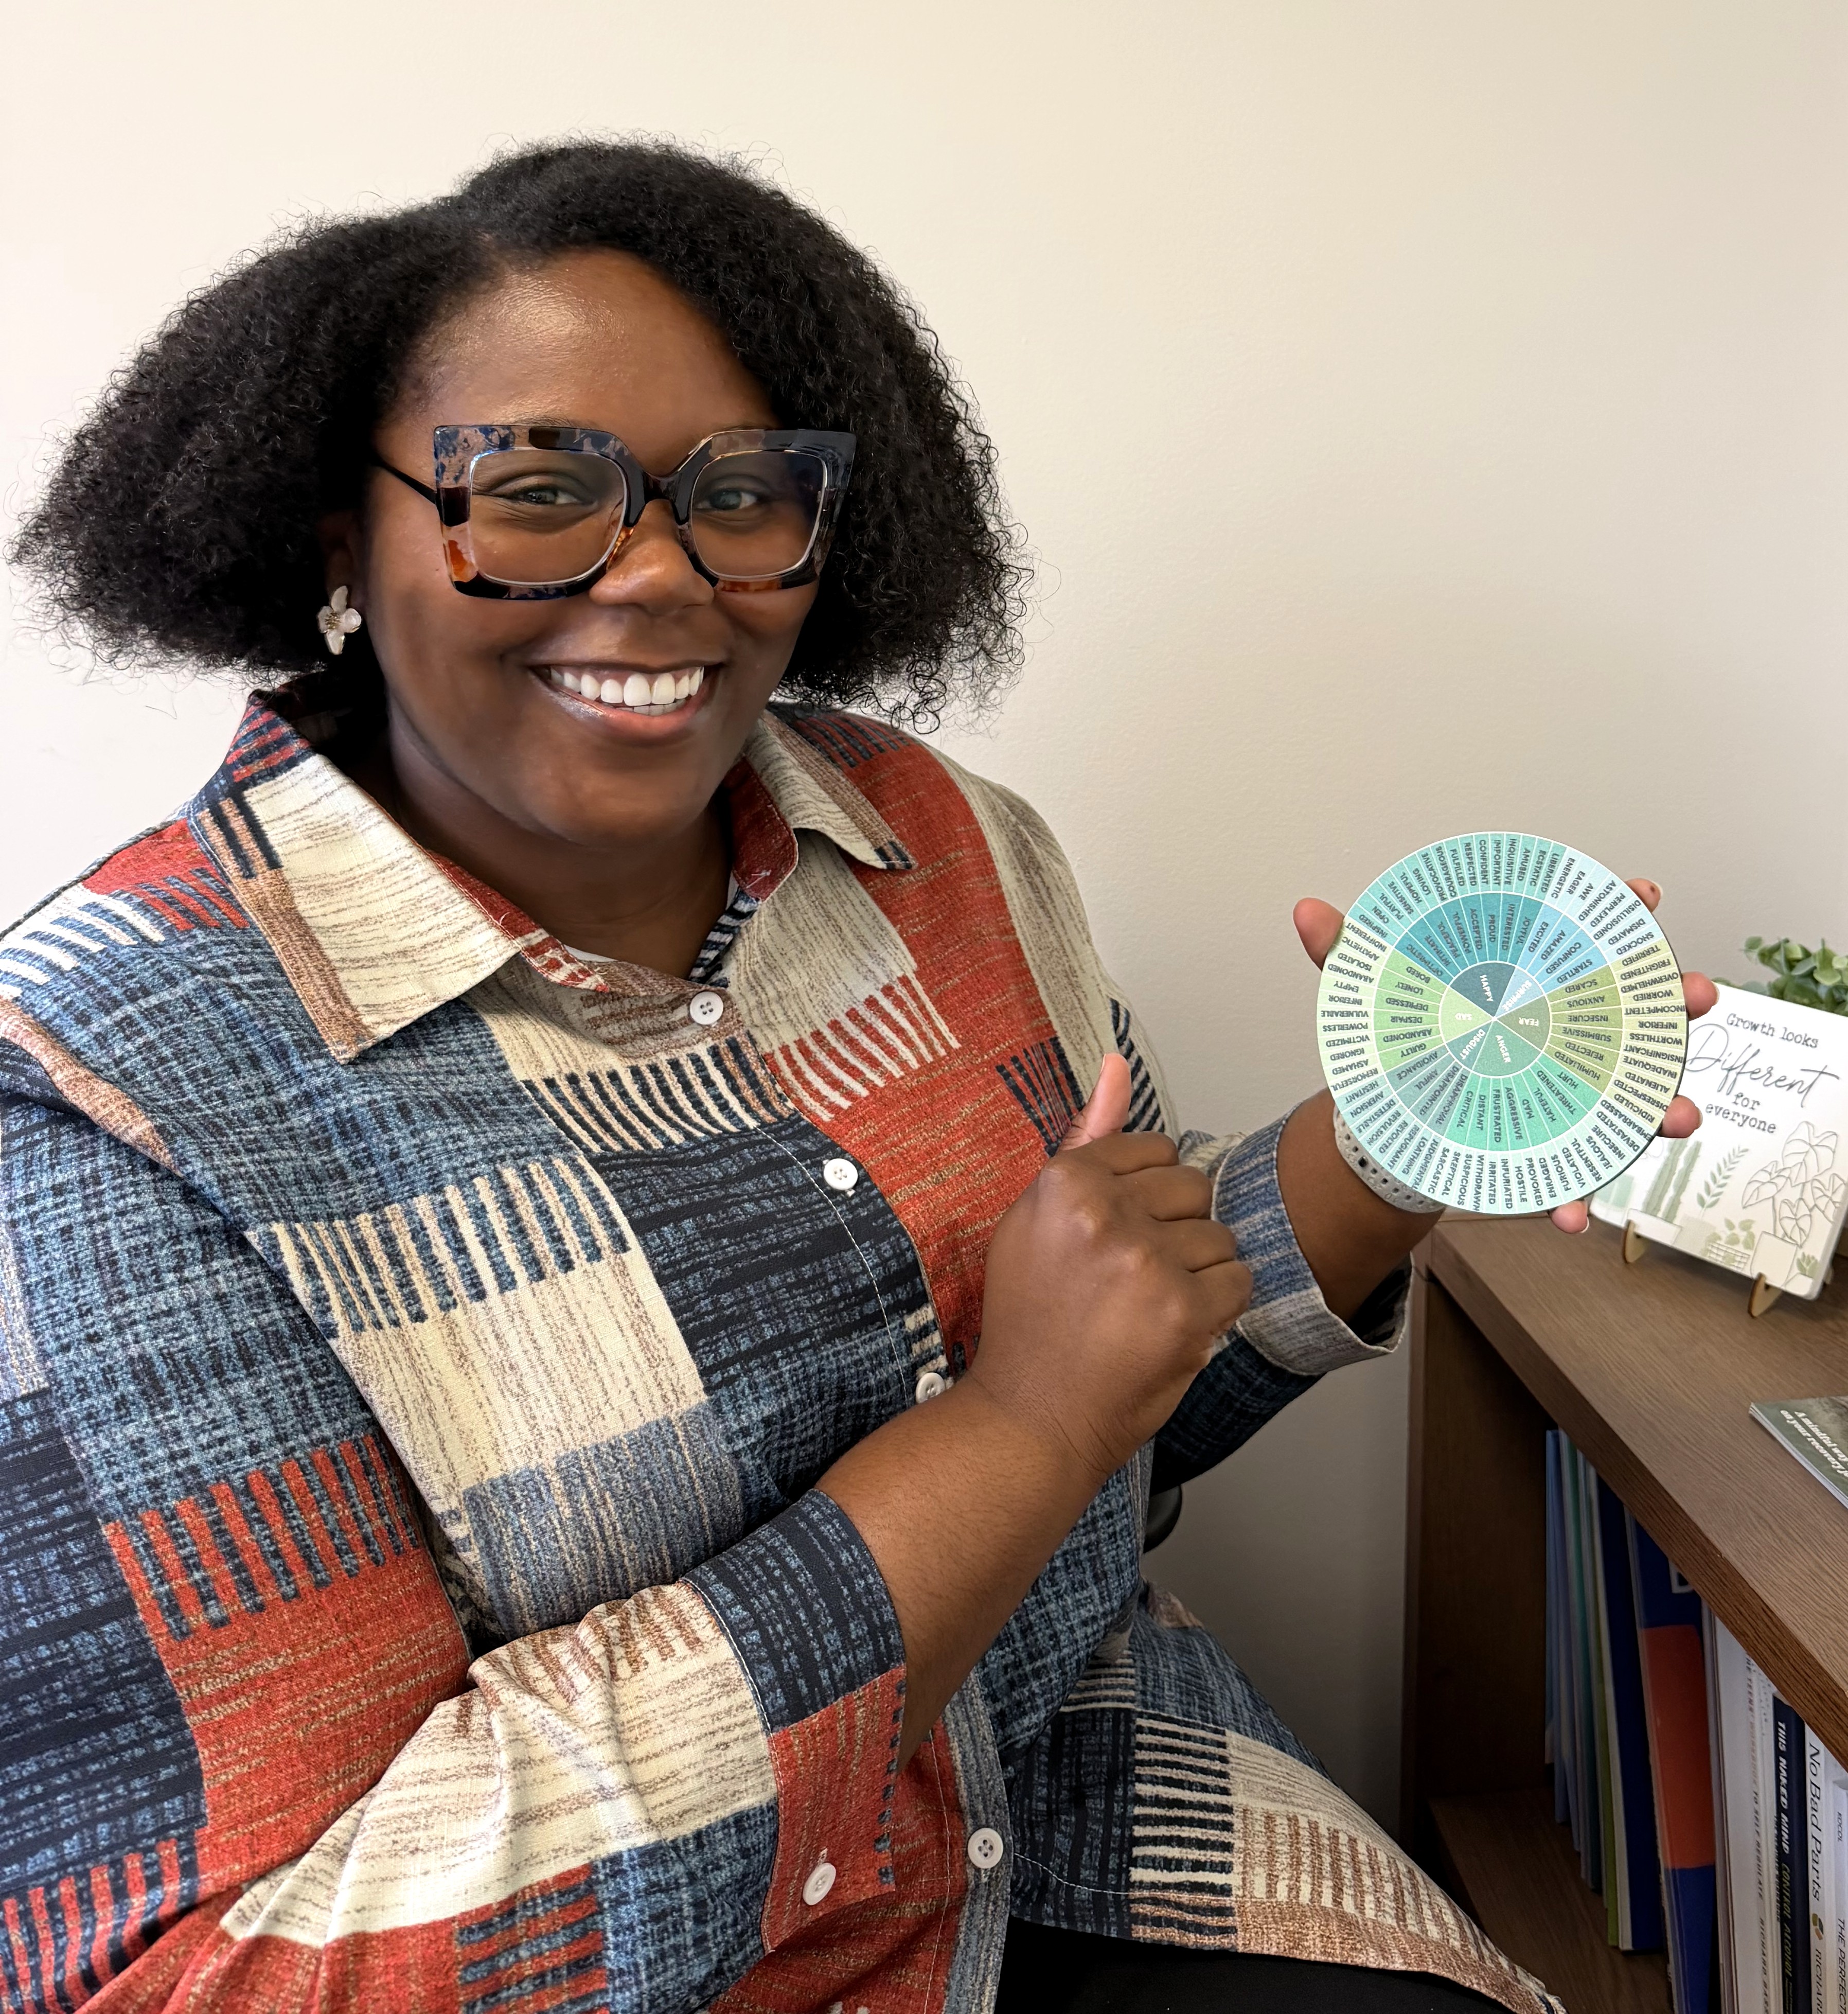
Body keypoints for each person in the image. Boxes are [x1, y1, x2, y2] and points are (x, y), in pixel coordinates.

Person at [0, 140, 1711, 2014]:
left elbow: (1129, 1366)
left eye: (741, 494)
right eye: (539, 488)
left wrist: (1423, 1117)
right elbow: (251, 1972)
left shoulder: (936, 842)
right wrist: (1014, 1429)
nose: (661, 574)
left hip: (1092, 1803)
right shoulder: (97, 1102)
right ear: (341, 534)